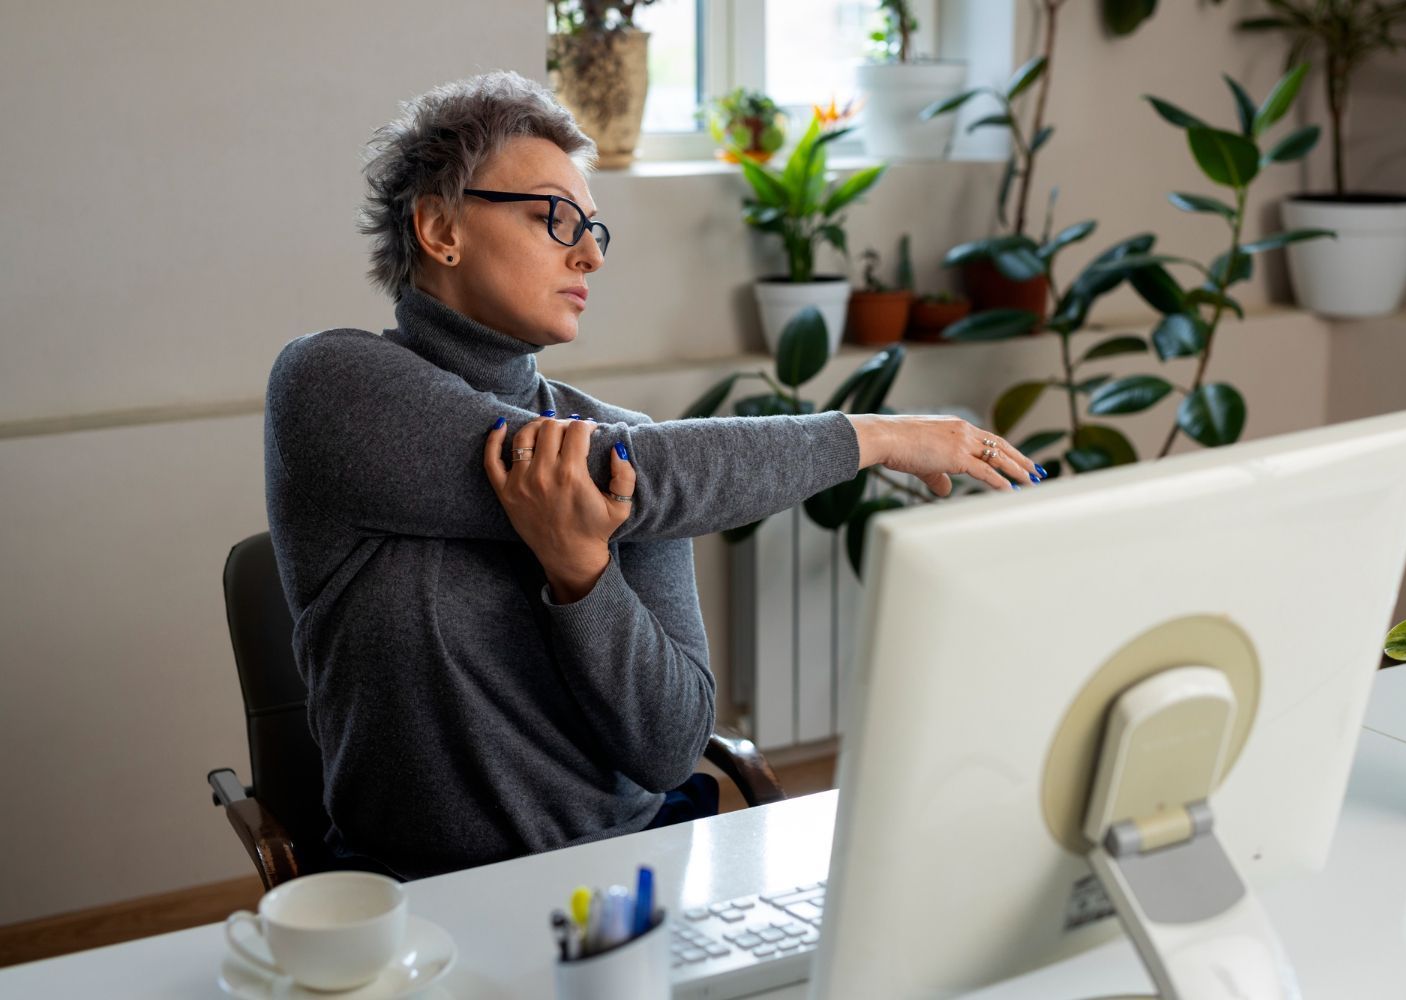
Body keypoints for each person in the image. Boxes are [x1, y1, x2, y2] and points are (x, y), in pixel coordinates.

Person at [264, 71, 1042, 880]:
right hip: (423, 902)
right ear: (438, 228)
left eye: (595, 228)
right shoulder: (327, 385)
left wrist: (582, 576)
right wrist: (873, 435)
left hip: (632, 880)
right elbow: (632, 470)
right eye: (554, 217)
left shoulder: (638, 454)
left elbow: (671, 751)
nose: (590, 253)